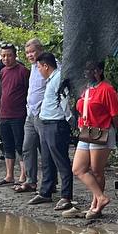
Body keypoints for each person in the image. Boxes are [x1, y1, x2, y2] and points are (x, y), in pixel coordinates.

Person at [67, 60, 118, 219]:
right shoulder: (87, 89)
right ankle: (100, 197)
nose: (86, 73)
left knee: (97, 170)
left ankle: (96, 207)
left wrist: (110, 129)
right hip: (86, 131)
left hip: (101, 131)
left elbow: (116, 113)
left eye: (89, 70)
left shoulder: (107, 89)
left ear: (98, 71)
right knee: (78, 169)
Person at [29, 52, 74, 212]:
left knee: (61, 160)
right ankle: (45, 192)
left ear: (46, 66)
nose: (39, 70)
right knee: (46, 160)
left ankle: (66, 196)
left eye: (39, 67)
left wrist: (70, 120)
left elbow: (65, 101)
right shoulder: (51, 80)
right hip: (46, 123)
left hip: (56, 124)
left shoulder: (59, 79)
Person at [0, 44, 30, 189]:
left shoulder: (23, 71)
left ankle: (23, 174)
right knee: (7, 145)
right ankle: (9, 175)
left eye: (9, 55)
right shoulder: (2, 72)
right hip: (5, 114)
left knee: (20, 145)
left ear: (15, 55)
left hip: (19, 114)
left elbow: (29, 91)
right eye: (3, 56)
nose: (6, 58)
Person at [18, 38, 50, 194]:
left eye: (32, 52)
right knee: (27, 147)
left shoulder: (48, 64)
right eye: (27, 53)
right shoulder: (32, 67)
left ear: (40, 50)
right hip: (30, 113)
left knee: (46, 149)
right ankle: (31, 181)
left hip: (43, 114)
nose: (30, 55)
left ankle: (50, 182)